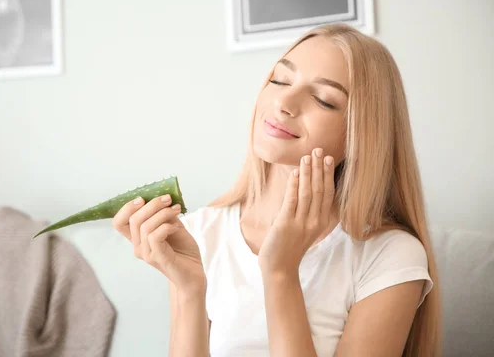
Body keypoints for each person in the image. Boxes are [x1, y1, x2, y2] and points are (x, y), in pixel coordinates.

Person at [111, 23, 441, 356]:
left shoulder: (390, 255)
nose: (284, 101)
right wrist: (190, 290)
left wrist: (280, 272)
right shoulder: (200, 233)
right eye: (279, 80)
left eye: (324, 100)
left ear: (363, 135)